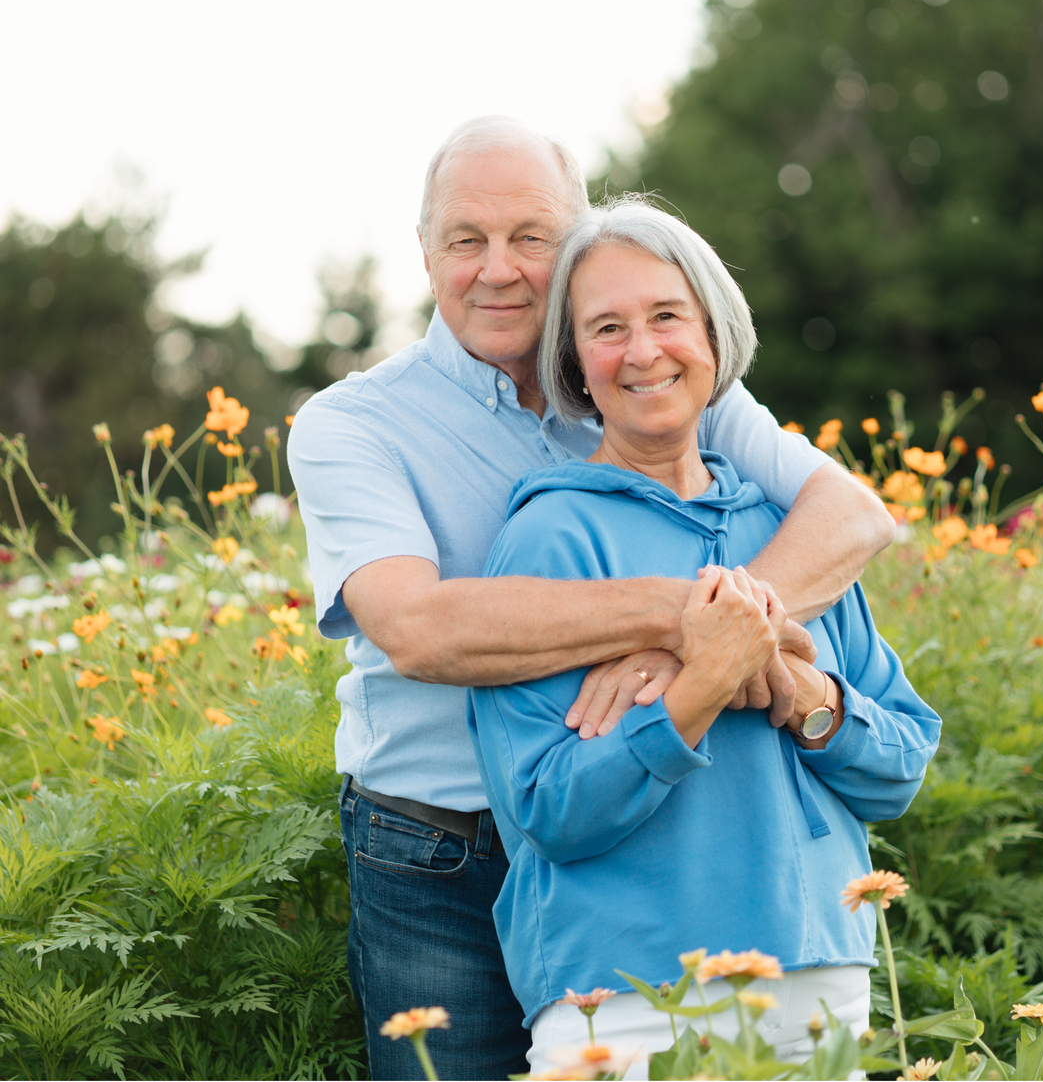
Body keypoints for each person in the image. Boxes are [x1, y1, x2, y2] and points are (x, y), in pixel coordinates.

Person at [287, 117, 896, 1081]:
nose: (499, 269)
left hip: (642, 836)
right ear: (424, 251)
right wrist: (691, 628)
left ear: (571, 243)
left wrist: (715, 644)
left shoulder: (647, 375)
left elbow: (854, 517)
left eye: (531, 237)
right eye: (465, 240)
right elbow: (418, 631)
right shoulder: (353, 425)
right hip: (435, 849)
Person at [467, 198, 940, 1078]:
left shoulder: (785, 529)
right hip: (630, 1006)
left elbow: (902, 765)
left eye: (666, 317)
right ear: (574, 363)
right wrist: (701, 686)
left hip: (822, 990)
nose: (643, 351)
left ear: (715, 334)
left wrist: (807, 701)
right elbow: (548, 810)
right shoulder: (548, 540)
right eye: (607, 328)